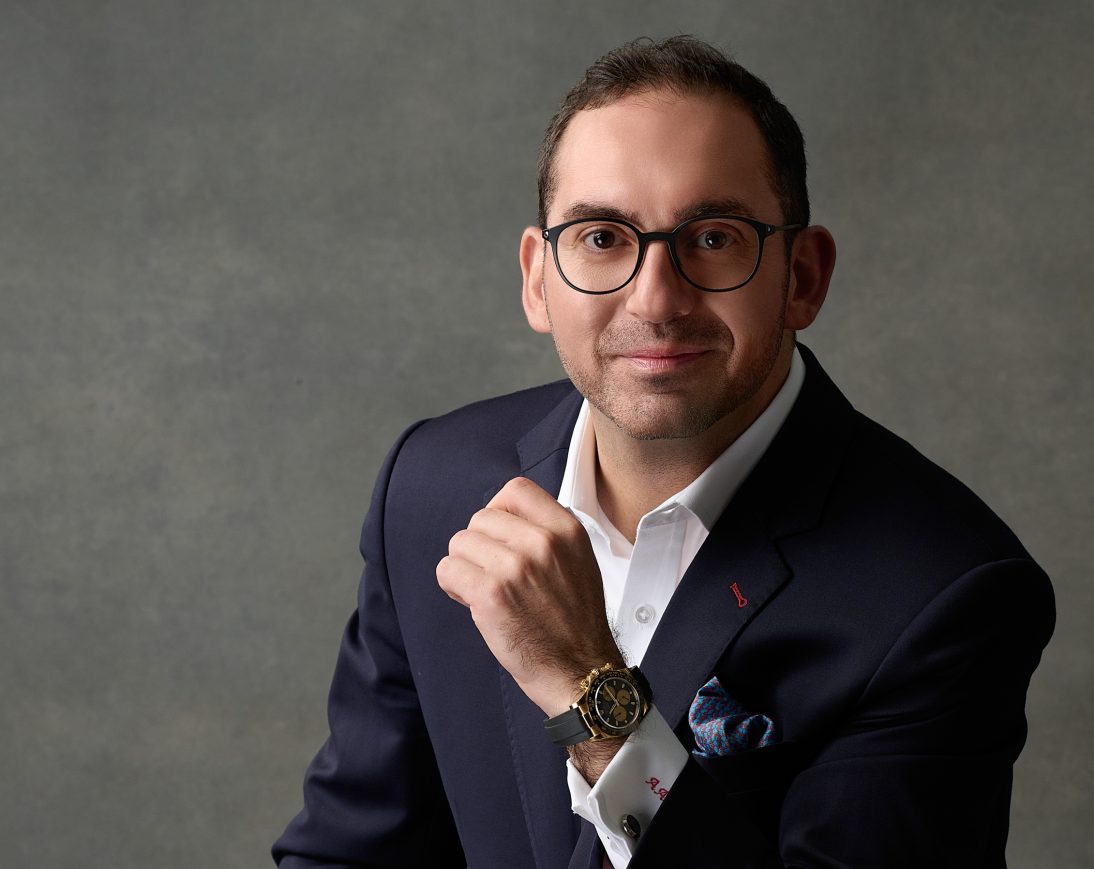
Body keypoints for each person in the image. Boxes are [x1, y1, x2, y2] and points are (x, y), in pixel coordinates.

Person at [273, 35, 1054, 869]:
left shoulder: (944, 589)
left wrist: (591, 697)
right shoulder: (431, 487)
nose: (656, 299)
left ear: (803, 277)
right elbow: (350, 854)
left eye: (713, 238)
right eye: (602, 237)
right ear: (538, 279)